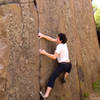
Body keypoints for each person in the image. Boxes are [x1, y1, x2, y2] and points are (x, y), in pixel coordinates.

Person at [38, 32, 72, 99]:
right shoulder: (64, 43)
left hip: (63, 65)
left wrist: (44, 53)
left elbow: (54, 57)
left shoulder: (59, 47)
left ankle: (46, 95)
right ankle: (64, 77)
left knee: (52, 78)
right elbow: (51, 39)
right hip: (69, 65)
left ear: (60, 40)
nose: (56, 38)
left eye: (57, 38)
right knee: (68, 70)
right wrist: (43, 35)